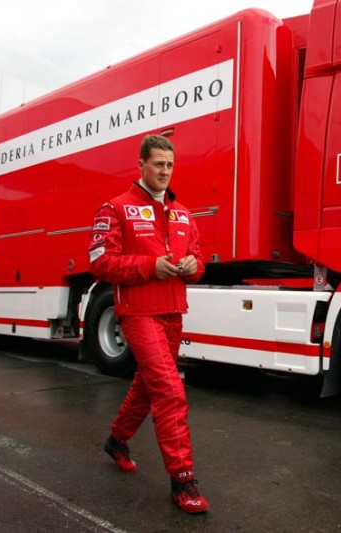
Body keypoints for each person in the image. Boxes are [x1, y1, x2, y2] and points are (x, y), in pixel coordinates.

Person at [87, 133, 209, 514]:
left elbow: (199, 259)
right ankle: (183, 482)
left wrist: (193, 267)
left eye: (170, 165)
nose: (165, 171)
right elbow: (101, 264)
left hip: (174, 312)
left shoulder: (184, 213)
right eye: (158, 164)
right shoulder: (115, 208)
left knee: (146, 385)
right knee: (170, 391)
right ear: (140, 165)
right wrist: (149, 266)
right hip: (138, 314)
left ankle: (117, 440)